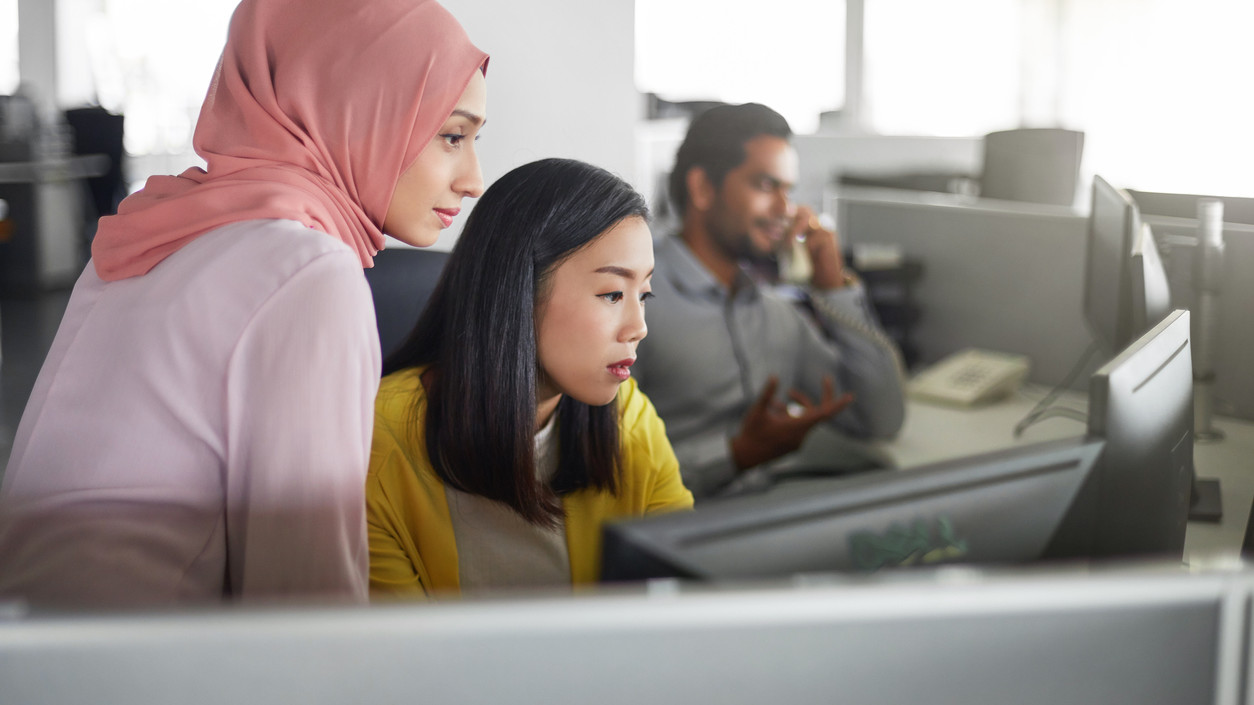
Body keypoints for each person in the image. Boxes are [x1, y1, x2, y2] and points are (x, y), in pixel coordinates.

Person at [0, 0, 488, 607]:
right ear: (360, 110)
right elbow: (307, 606)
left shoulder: (160, 230)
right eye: (452, 136)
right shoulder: (309, 274)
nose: (473, 178)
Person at [367, 158, 693, 598]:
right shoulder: (376, 440)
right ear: (519, 290)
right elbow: (399, 657)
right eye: (613, 294)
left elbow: (679, 603)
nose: (639, 326)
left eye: (644, 295)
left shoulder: (630, 420)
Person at [633, 103, 906, 499]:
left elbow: (879, 418)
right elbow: (605, 474)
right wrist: (736, 455)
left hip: (767, 520)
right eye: (765, 186)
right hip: (671, 536)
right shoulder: (634, 304)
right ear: (703, 189)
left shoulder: (775, 315)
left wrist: (834, 287)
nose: (786, 210)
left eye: (788, 190)